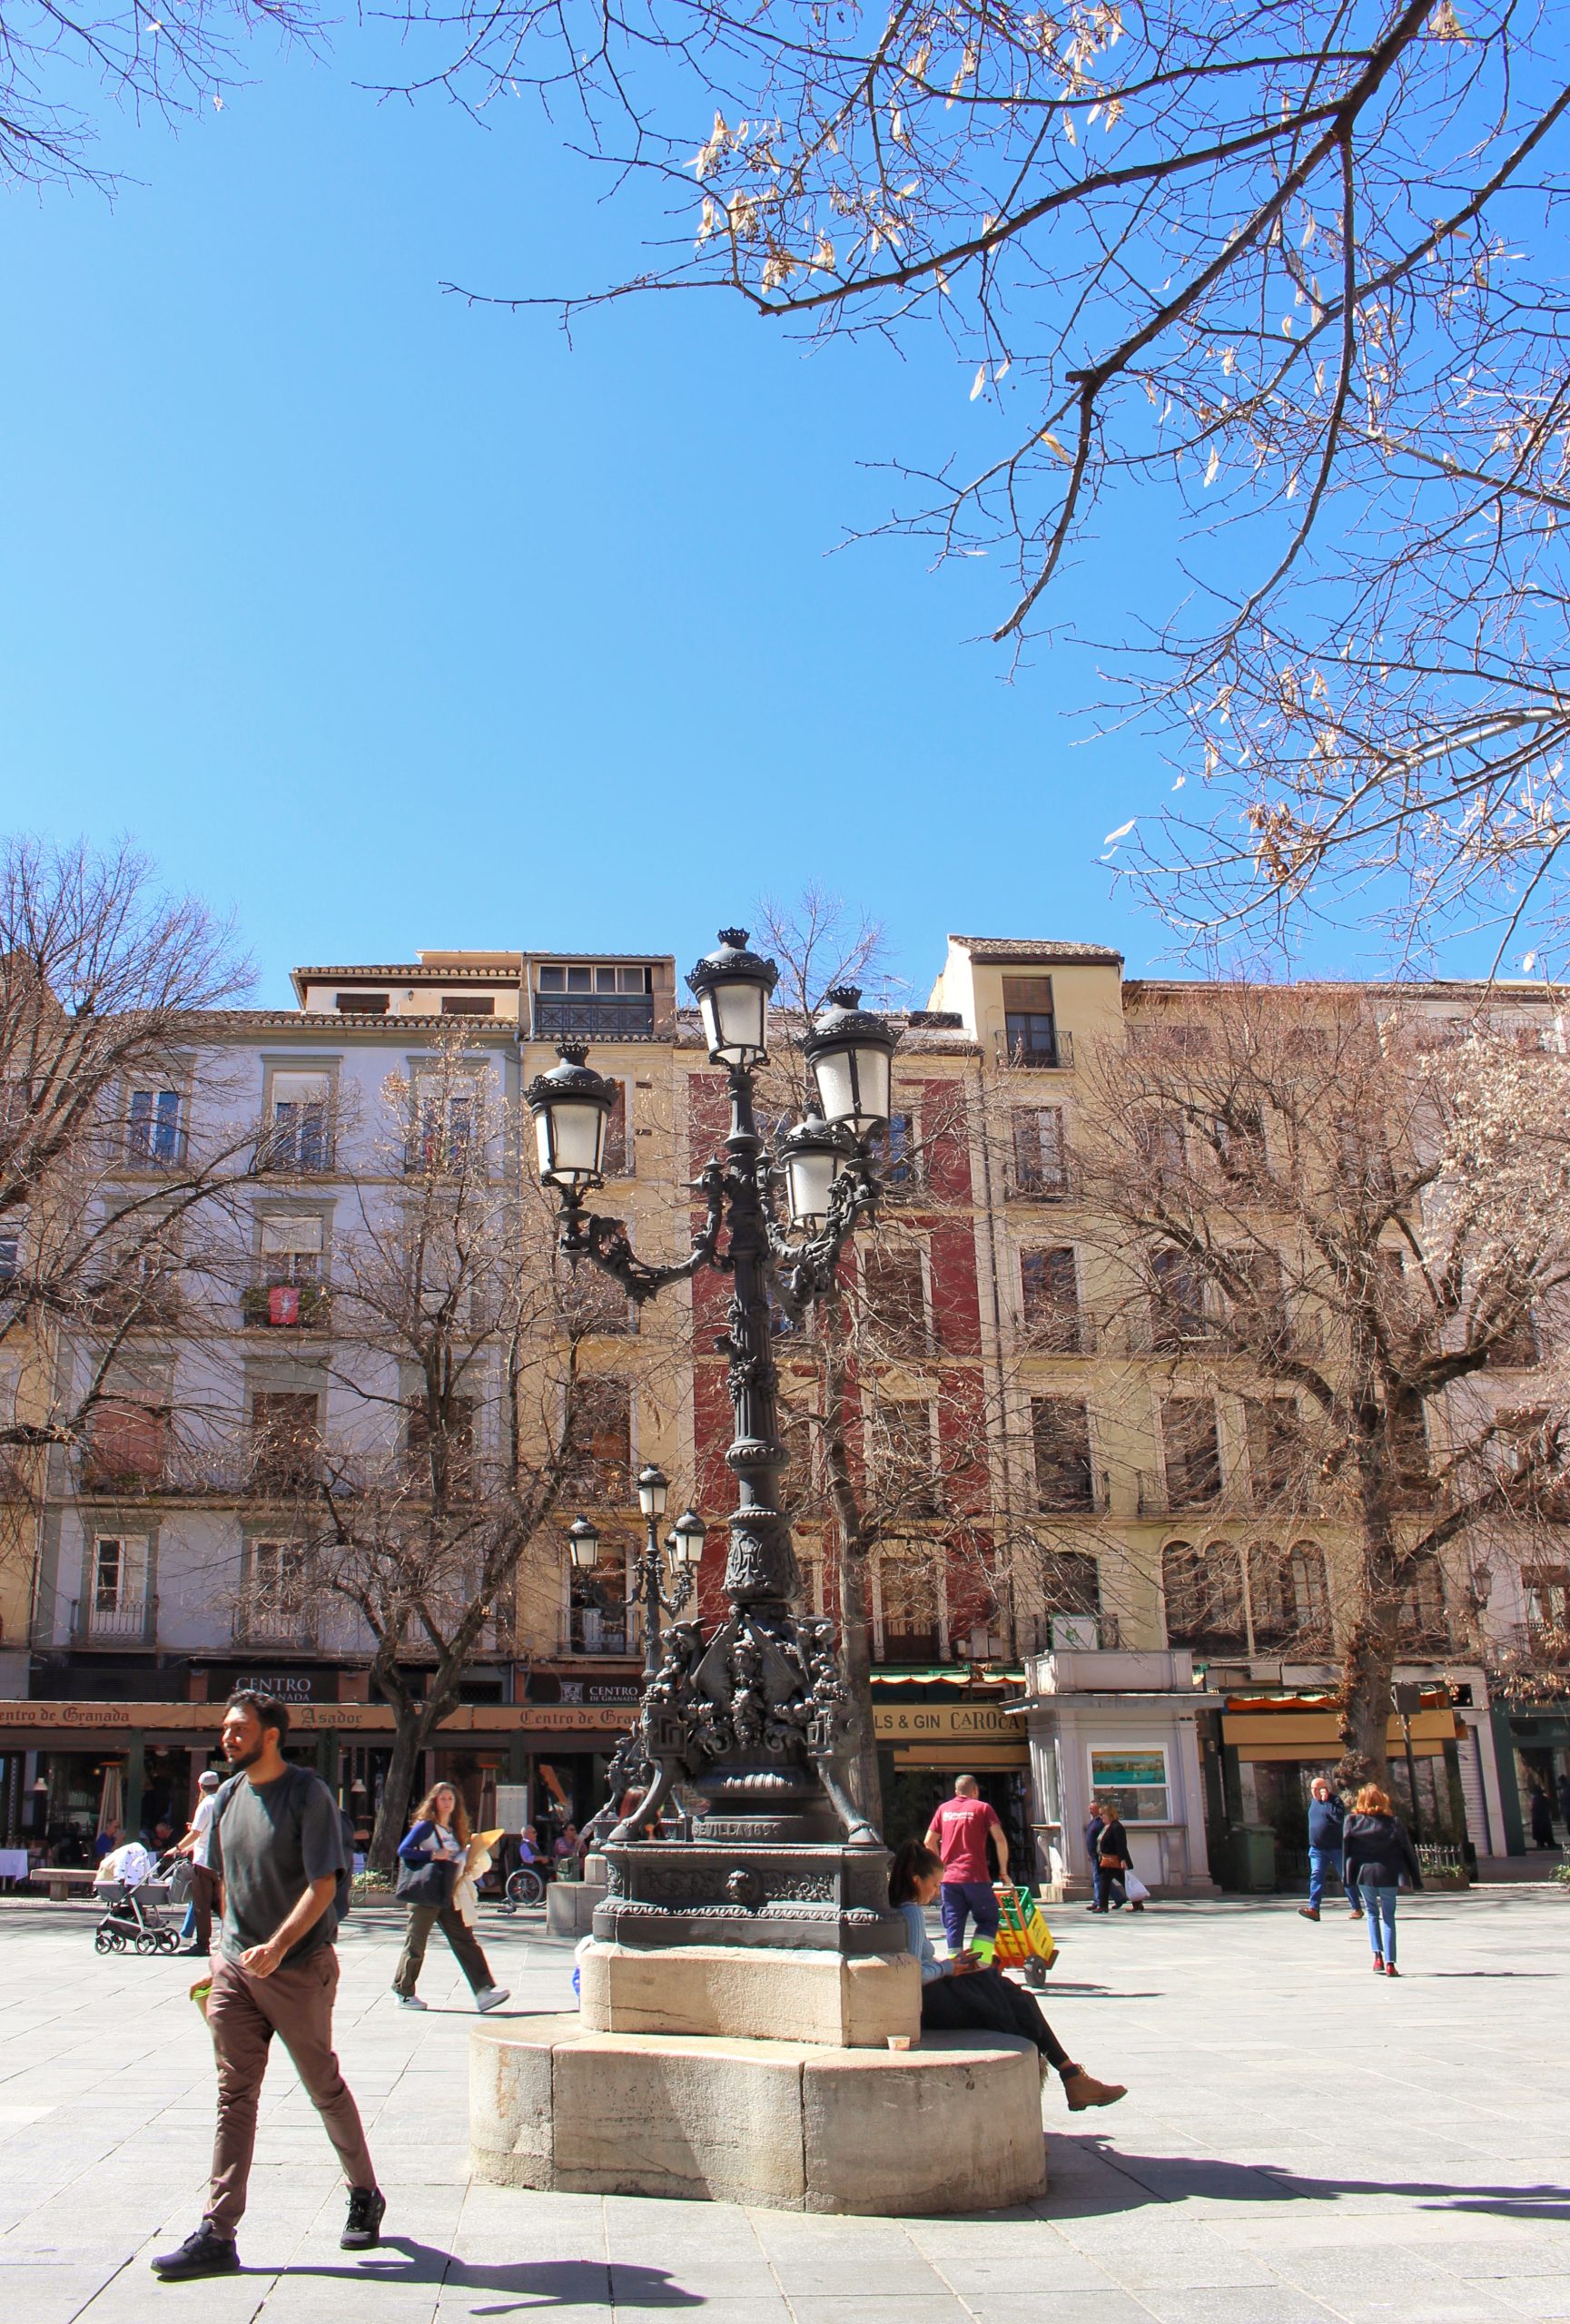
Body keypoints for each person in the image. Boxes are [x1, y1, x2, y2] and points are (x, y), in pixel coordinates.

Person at [151, 1689, 384, 2282]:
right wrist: (219, 1952)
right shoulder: (227, 1794)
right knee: (235, 2097)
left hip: (299, 1967)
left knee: (322, 2086)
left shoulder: (307, 1795)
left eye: (239, 1729)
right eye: (225, 1729)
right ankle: (218, 2232)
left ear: (270, 1735)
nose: (227, 1737)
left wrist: (276, 1946)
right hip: (235, 1969)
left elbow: (324, 1885)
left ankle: (364, 2193)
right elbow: (224, 1879)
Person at [890, 1843, 1125, 2111]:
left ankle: (1072, 2076)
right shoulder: (911, 1911)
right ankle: (1072, 2077)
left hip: (928, 1996)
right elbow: (910, 1974)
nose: (936, 1894)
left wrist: (952, 1964)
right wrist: (949, 1968)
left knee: (1011, 1992)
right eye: (934, 1885)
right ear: (916, 1880)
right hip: (928, 2000)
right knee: (1015, 1998)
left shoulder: (897, 1907)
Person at [391, 1784, 509, 2013]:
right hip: (425, 1893)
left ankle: (483, 1991)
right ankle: (403, 1992)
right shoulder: (426, 1827)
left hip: (447, 1892)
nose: (447, 1803)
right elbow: (403, 1849)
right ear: (434, 1801)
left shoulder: (453, 1830)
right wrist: (432, 1854)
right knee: (416, 1943)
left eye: (451, 1799)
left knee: (465, 1940)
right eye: (443, 1798)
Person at [1341, 1781, 1423, 1978]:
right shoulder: (1393, 1822)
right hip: (1389, 1874)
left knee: (1371, 1913)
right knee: (1388, 1918)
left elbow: (1346, 1852)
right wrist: (1416, 1878)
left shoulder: (1351, 1821)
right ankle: (1390, 1963)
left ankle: (1377, 1955)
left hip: (1363, 1874)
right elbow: (1407, 1851)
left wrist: (1346, 1877)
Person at [924, 1775, 1009, 1955]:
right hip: (976, 1877)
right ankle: (980, 1961)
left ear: (956, 1792)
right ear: (975, 1791)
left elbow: (929, 1842)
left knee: (953, 1924)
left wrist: (940, 1870)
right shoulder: (983, 1808)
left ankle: (955, 1966)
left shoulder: (943, 1810)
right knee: (988, 1920)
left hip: (949, 1880)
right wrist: (1003, 1871)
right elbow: (1000, 1840)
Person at [175, 1768, 223, 1955]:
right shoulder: (226, 1802)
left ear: (201, 1787)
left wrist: (177, 1848)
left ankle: (202, 1943)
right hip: (221, 1861)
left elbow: (195, 1833)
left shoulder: (205, 1805)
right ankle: (231, 1935)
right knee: (219, 1902)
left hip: (204, 1861)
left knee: (201, 1904)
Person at [1299, 1777, 1347, 1923]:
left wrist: (1327, 1802)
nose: (1313, 1792)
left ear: (1324, 1789)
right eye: (1312, 1789)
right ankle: (1314, 1908)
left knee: (1345, 1877)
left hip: (1335, 1847)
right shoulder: (1313, 1803)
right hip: (1317, 1849)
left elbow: (1339, 1818)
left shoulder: (1335, 1801)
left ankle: (1356, 1907)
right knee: (1316, 1875)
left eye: (1316, 1789)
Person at [1091, 1804, 1139, 1914]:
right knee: (1124, 1882)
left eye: (1102, 1814)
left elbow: (1120, 1844)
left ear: (1110, 1815)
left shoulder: (1116, 1827)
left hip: (1114, 1860)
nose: (1100, 1817)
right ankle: (1137, 1903)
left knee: (1104, 1882)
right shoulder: (1107, 1826)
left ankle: (1103, 1906)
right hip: (1106, 1860)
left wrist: (1123, 1859)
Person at [1528, 1781, 1555, 1850]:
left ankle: (1541, 1843)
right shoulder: (1544, 1798)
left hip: (1537, 1819)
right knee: (1546, 1831)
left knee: (1539, 1833)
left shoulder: (1534, 1799)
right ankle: (1549, 1842)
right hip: (1544, 1819)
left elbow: (1533, 1809)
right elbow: (1549, 1807)